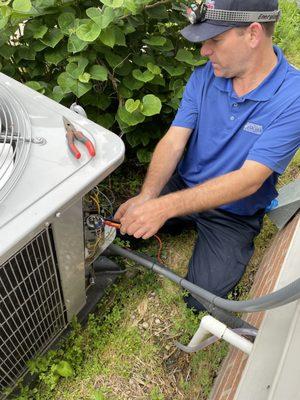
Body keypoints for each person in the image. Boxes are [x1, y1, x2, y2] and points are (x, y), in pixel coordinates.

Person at [115, 0, 300, 311]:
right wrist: (148, 197)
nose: (204, 51)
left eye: (215, 40)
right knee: (121, 229)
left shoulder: (293, 98)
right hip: (184, 184)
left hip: (234, 213)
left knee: (201, 302)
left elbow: (248, 181)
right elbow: (174, 140)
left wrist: (164, 207)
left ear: (253, 34)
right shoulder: (205, 77)